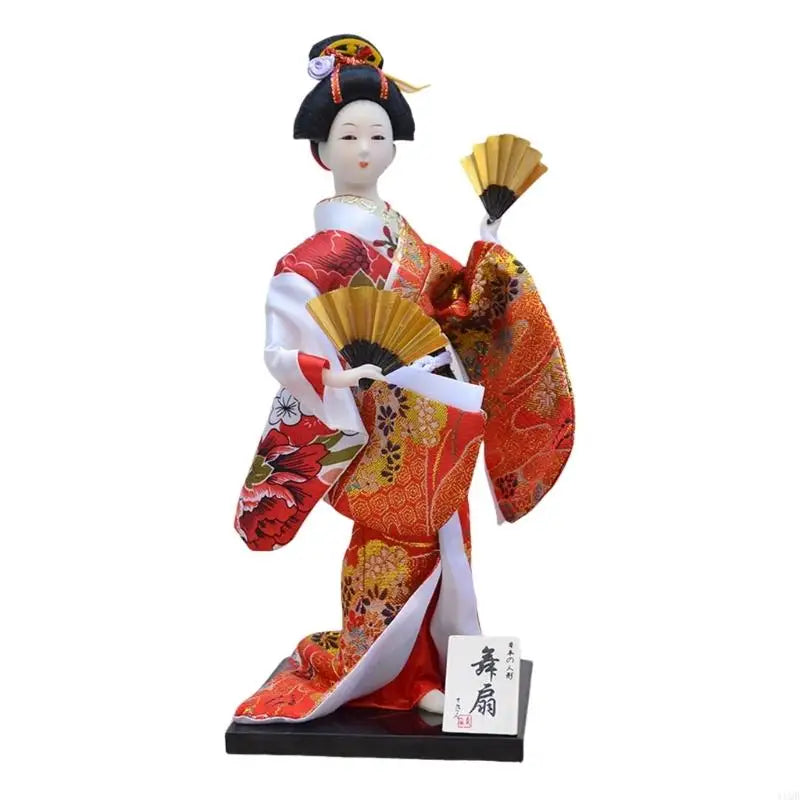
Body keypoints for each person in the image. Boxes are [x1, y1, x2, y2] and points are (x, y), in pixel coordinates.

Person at [231, 34, 574, 723]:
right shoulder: (311, 259)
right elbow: (281, 352)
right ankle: (393, 681)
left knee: (450, 542)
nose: (364, 148)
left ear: (393, 147)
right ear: (320, 150)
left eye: (377, 135)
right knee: (393, 547)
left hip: (438, 407)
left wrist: (489, 244)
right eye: (348, 135)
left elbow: (452, 297)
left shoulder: (400, 234)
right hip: (376, 421)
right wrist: (339, 377)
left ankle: (446, 666)